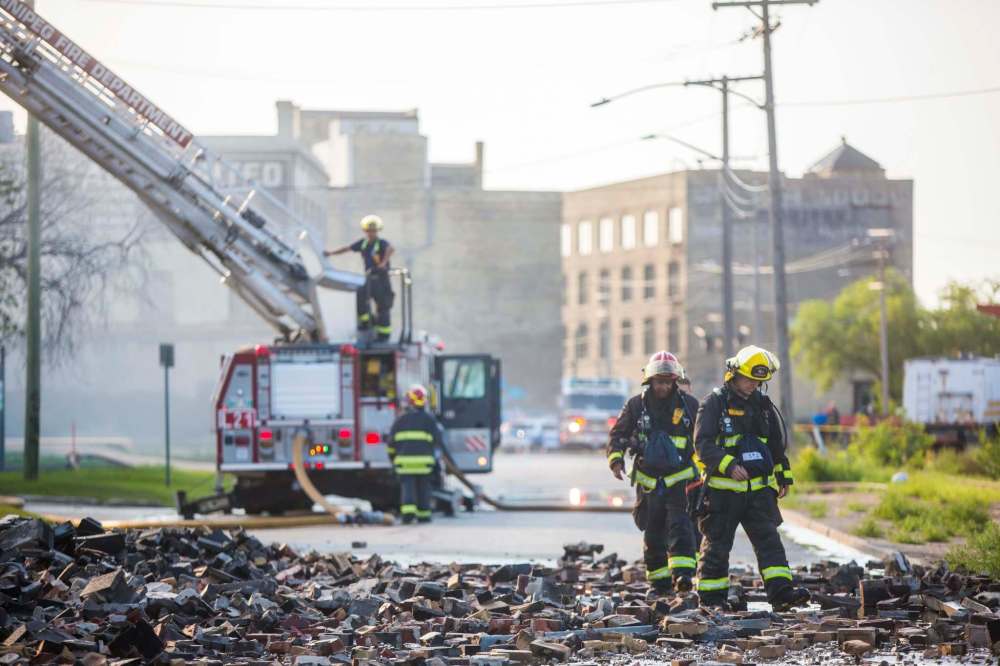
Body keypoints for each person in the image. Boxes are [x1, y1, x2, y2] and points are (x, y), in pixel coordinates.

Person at [693, 345, 810, 611]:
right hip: (723, 493)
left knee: (770, 543)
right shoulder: (714, 404)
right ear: (734, 374)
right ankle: (712, 601)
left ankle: (782, 594)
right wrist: (728, 465)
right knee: (717, 546)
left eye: (758, 382)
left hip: (758, 493)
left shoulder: (763, 406)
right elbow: (702, 444)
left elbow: (776, 445)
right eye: (748, 379)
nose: (753, 386)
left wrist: (784, 476)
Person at [607, 351, 700, 595]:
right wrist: (616, 460)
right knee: (653, 531)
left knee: (681, 527)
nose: (663, 387)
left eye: (667, 382)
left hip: (680, 480)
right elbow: (618, 435)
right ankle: (659, 584)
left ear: (675, 381)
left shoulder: (689, 406)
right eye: (659, 382)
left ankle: (683, 575)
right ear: (649, 380)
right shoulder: (636, 406)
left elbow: (704, 438)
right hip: (648, 482)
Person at [324, 214, 395, 342]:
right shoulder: (363, 243)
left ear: (377, 231)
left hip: (382, 280)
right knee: (360, 298)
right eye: (368, 230)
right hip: (369, 278)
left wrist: (383, 263)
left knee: (383, 308)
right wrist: (331, 253)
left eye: (373, 231)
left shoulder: (381, 243)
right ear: (365, 231)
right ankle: (366, 322)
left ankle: (383, 335)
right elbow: (347, 248)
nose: (371, 233)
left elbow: (390, 249)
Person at [387, 384, 443, 523]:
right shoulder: (429, 420)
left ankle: (408, 516)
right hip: (425, 463)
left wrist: (393, 459)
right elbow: (437, 441)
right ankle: (424, 515)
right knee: (424, 489)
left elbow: (391, 444)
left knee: (408, 488)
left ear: (409, 401)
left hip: (405, 463)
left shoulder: (400, 420)